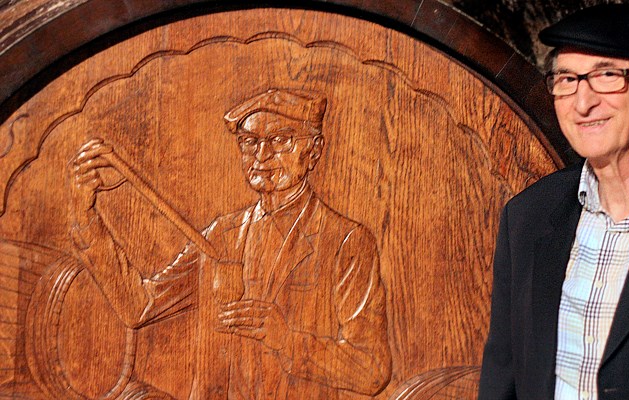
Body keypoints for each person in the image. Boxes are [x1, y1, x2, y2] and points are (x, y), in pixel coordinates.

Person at [69, 88, 391, 399]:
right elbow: (138, 305)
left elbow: (371, 370)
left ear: (314, 151)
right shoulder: (222, 236)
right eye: (250, 142)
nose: (262, 155)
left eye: (280, 140)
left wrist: (287, 341)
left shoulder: (346, 242)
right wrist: (86, 217)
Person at [479, 4, 629, 399]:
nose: (583, 102)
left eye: (607, 75)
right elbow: (501, 380)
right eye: (567, 79)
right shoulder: (526, 218)